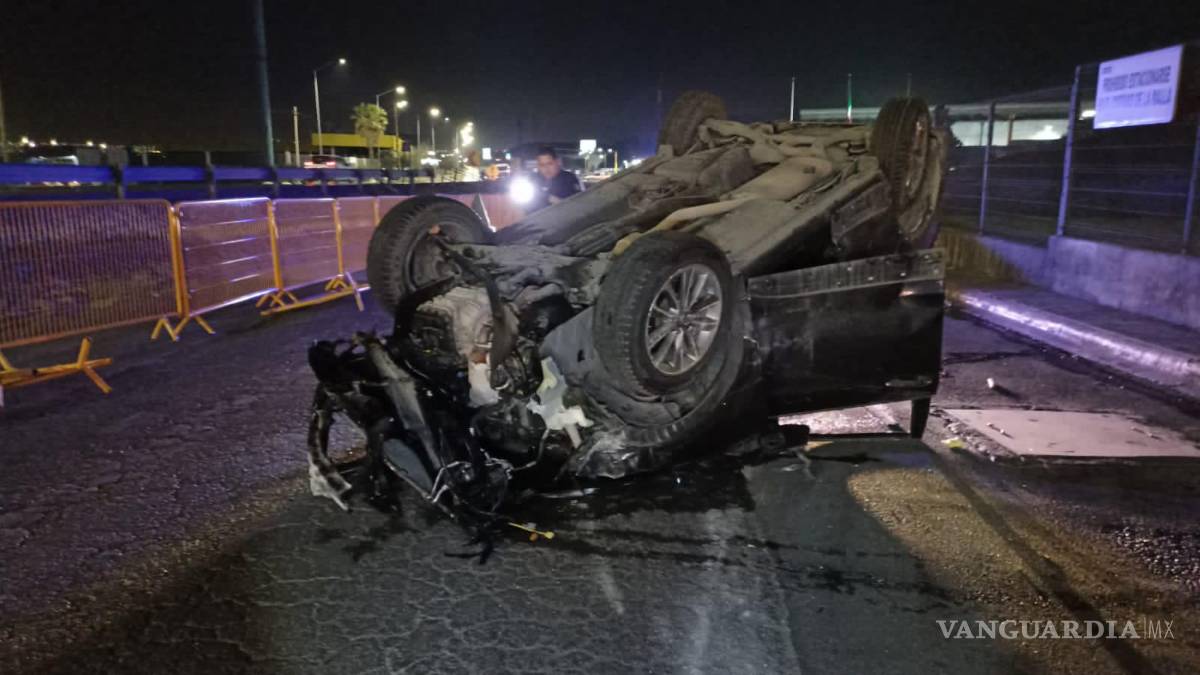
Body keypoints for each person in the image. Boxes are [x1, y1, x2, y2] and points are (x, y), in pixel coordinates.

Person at [530, 146, 581, 211]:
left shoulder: (570, 178)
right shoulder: (533, 180)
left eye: (550, 164)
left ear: (558, 162)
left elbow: (578, 205)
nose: (546, 168)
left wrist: (557, 201)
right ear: (538, 166)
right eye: (542, 165)